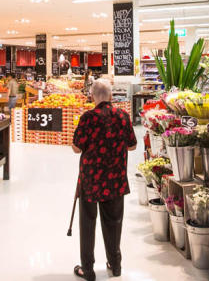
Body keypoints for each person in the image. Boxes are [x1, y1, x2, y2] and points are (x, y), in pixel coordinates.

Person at [71, 80, 137, 281]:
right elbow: (132, 145)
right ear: (110, 96)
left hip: (91, 180)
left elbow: (76, 147)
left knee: (87, 223)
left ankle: (88, 270)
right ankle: (115, 265)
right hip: (115, 179)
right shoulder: (123, 116)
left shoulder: (88, 118)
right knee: (114, 222)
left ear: (92, 97)